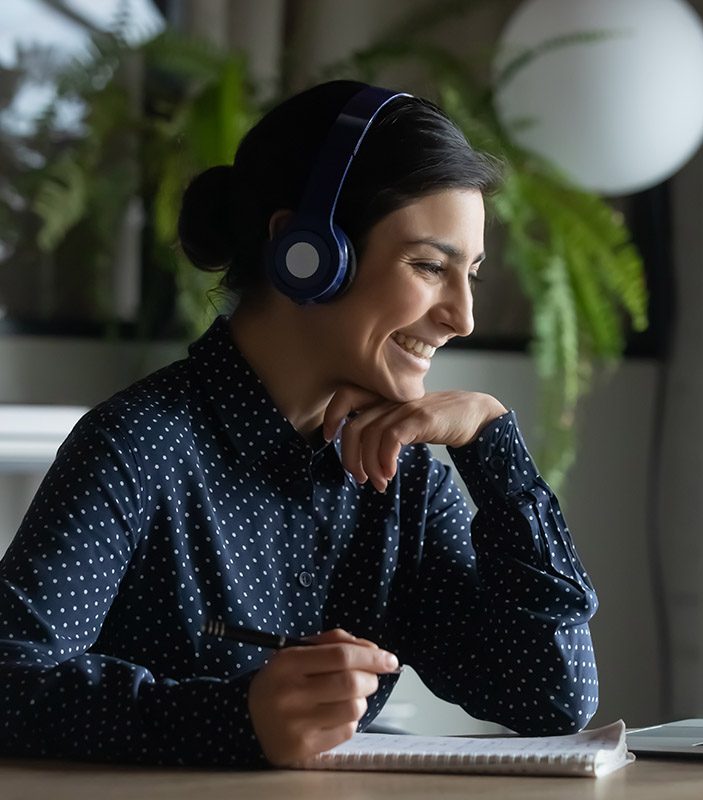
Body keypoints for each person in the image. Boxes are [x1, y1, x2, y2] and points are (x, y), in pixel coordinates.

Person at [0, 81, 599, 767]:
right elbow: (10, 681)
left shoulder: (398, 482)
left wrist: (495, 449)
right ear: (305, 254)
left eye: (472, 275)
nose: (462, 316)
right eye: (430, 266)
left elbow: (552, 699)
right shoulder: (140, 446)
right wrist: (237, 718)